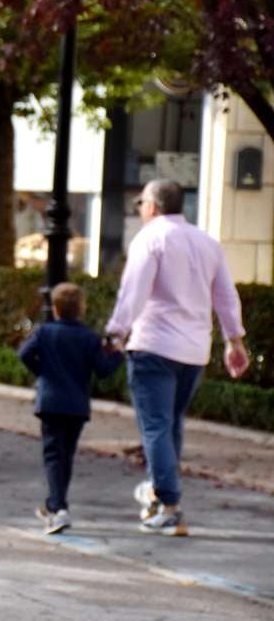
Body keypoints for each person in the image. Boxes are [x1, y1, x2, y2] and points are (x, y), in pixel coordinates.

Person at [105, 178, 248, 536]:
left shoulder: (150, 239)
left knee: (155, 426)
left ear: (152, 206)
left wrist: (116, 331)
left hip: (153, 345)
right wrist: (235, 340)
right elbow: (226, 297)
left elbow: (133, 291)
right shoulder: (207, 243)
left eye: (141, 206)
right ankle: (158, 494)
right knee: (170, 425)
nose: (140, 211)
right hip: (194, 350)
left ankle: (169, 505)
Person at [18, 283, 123, 535]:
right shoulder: (89, 338)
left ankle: (57, 507)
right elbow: (103, 370)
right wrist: (118, 354)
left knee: (53, 455)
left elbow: (24, 354)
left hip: (50, 401)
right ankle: (55, 503)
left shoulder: (45, 332)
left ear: (55, 309)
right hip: (76, 405)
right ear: (81, 309)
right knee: (66, 456)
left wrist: (42, 373)